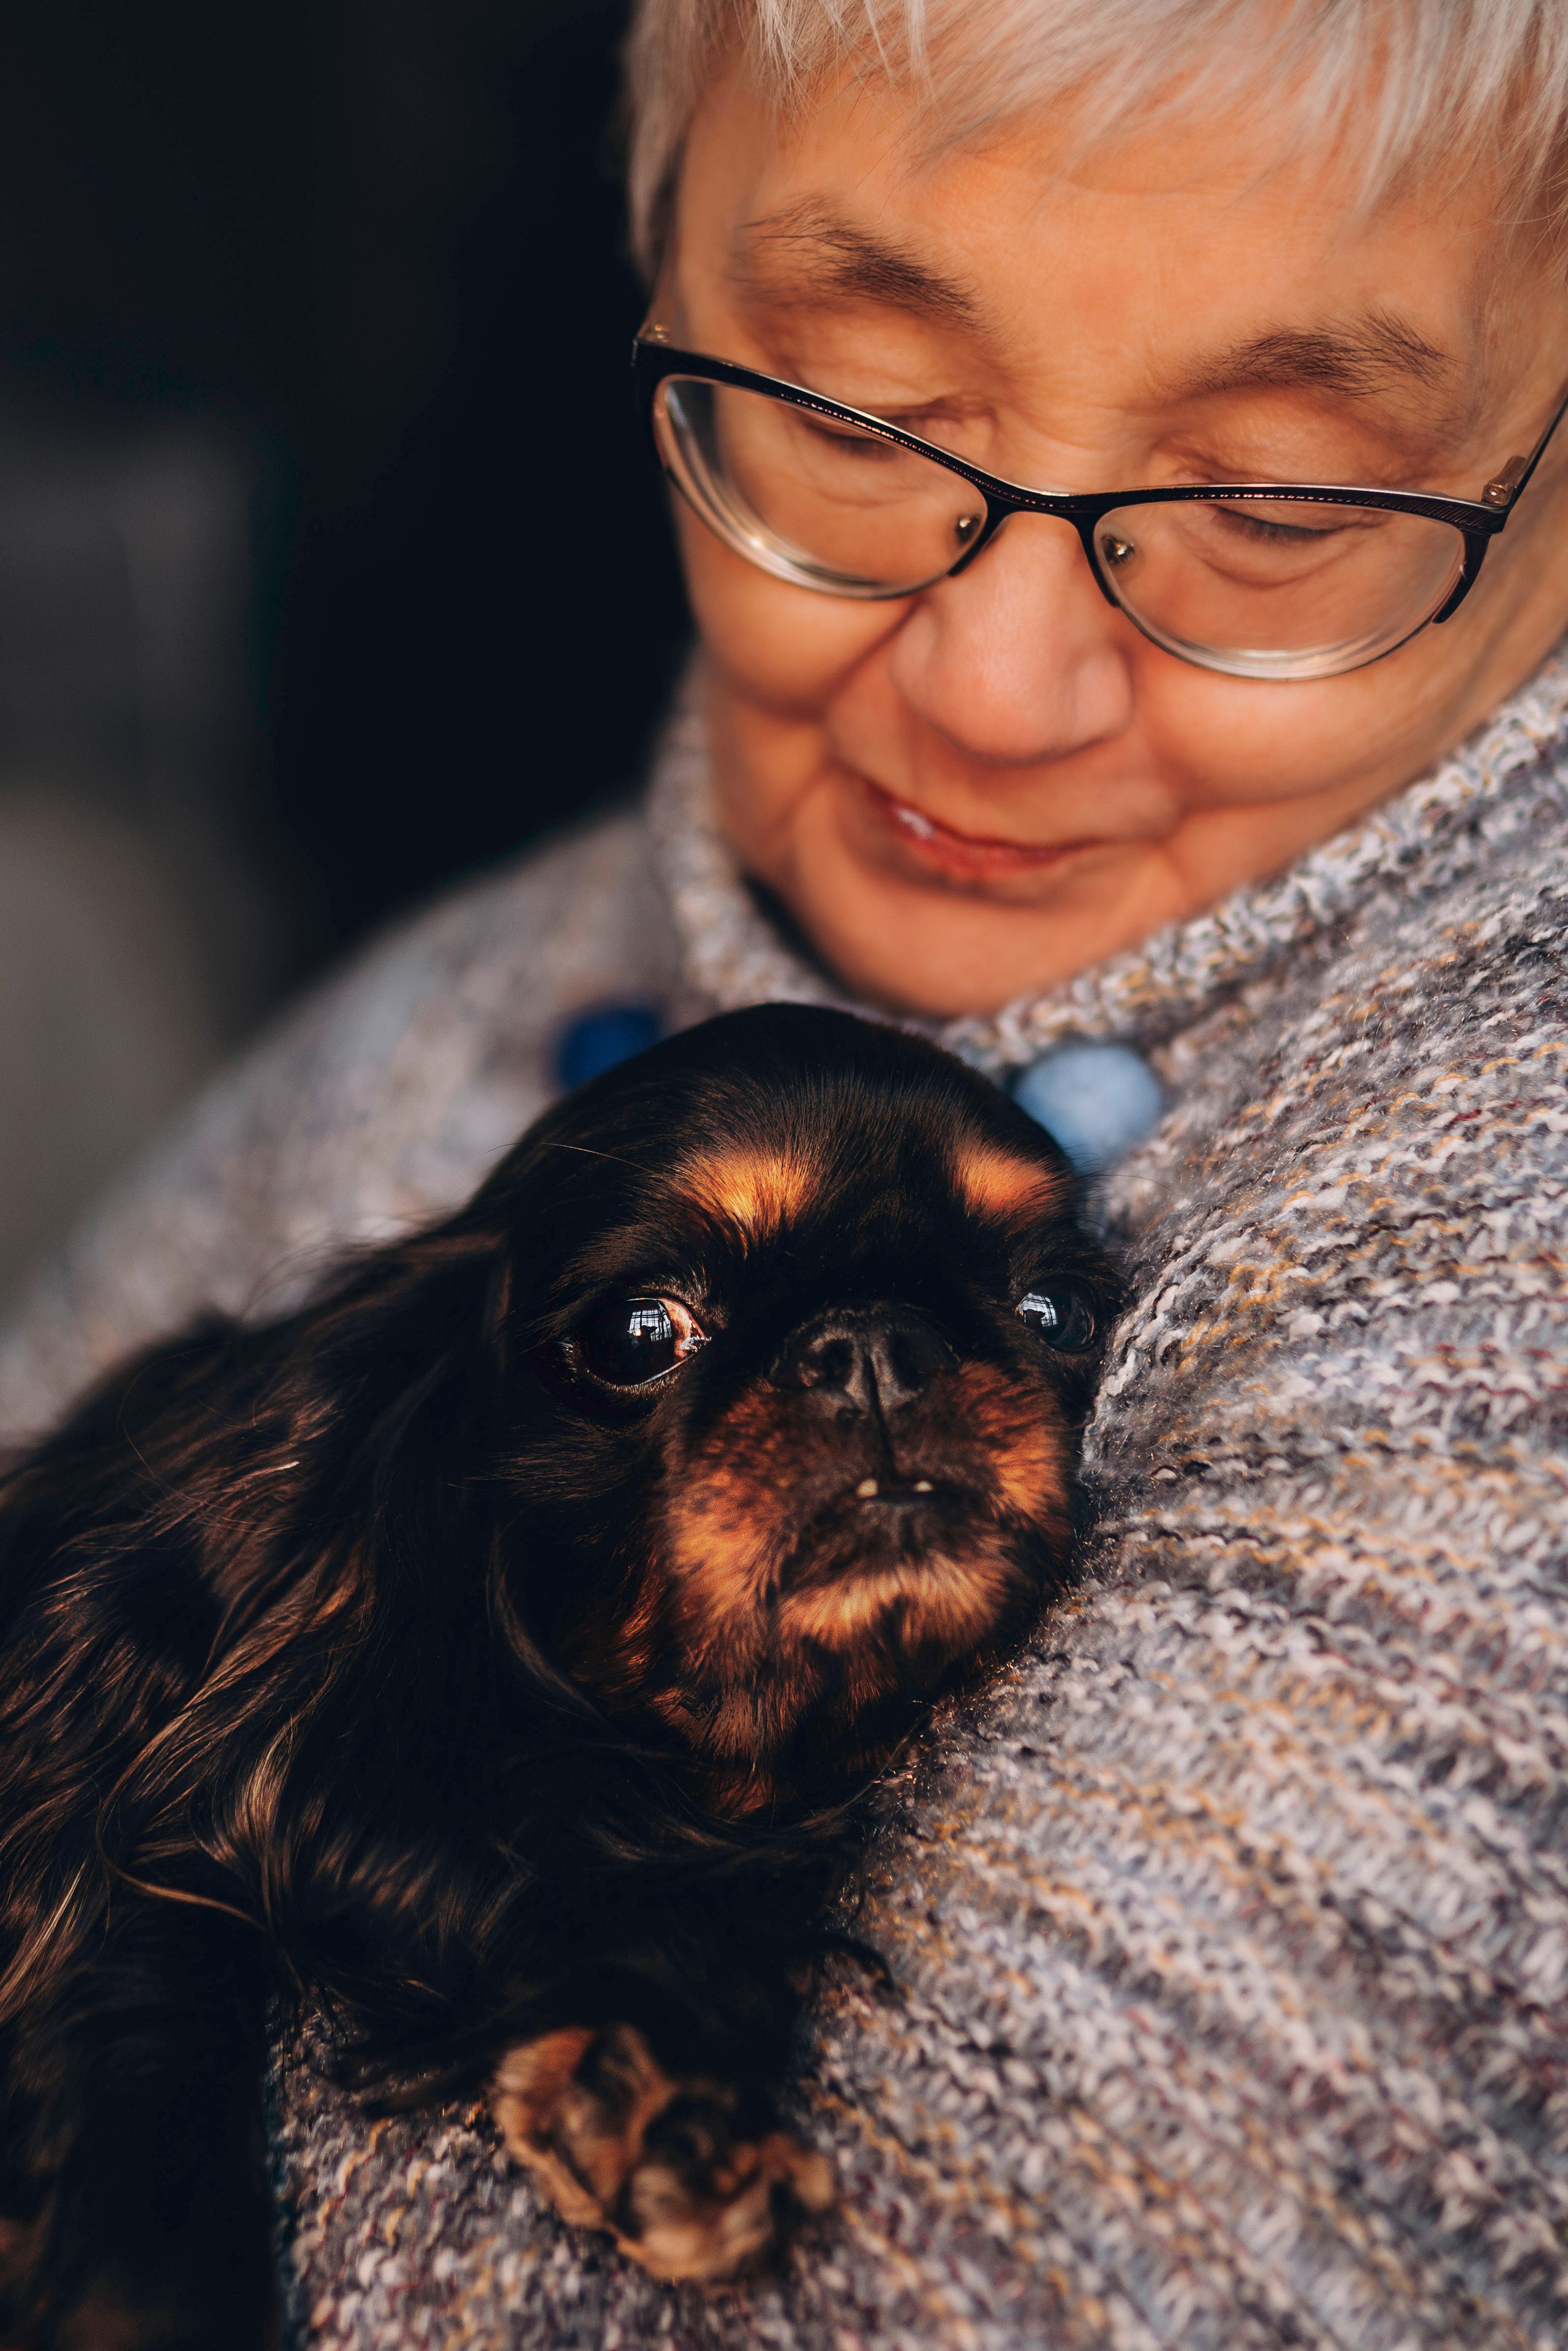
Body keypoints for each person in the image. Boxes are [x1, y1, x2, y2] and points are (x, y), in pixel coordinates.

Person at [8, 0, 1568, 2339]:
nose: (993, 691)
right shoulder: (423, 1023)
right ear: (656, 286)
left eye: (1283, 505)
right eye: (853, 416)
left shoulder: (1505, 1238)